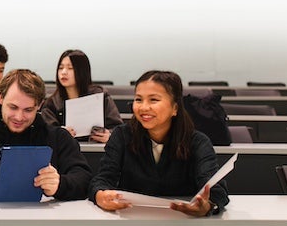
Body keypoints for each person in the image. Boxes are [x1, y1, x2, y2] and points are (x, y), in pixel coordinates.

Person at [89, 70, 230, 217]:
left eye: (153, 100)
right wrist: (100, 196)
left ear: (175, 108)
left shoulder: (197, 142)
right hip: (132, 219)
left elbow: (216, 191)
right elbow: (102, 179)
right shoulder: (122, 136)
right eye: (138, 99)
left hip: (183, 222)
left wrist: (207, 206)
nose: (143, 107)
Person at [0, 68, 92, 200]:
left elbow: (84, 178)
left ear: (39, 105)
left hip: (45, 224)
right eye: (13, 107)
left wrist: (60, 184)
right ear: (0, 98)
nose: (19, 117)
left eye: (28, 110)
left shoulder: (59, 138)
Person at [41, 49, 123, 143]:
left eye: (70, 68)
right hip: (65, 153)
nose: (63, 72)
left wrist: (110, 135)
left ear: (82, 71)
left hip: (97, 151)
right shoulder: (52, 103)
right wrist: (59, 134)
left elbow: (118, 128)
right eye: (61, 68)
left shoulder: (99, 96)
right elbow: (46, 134)